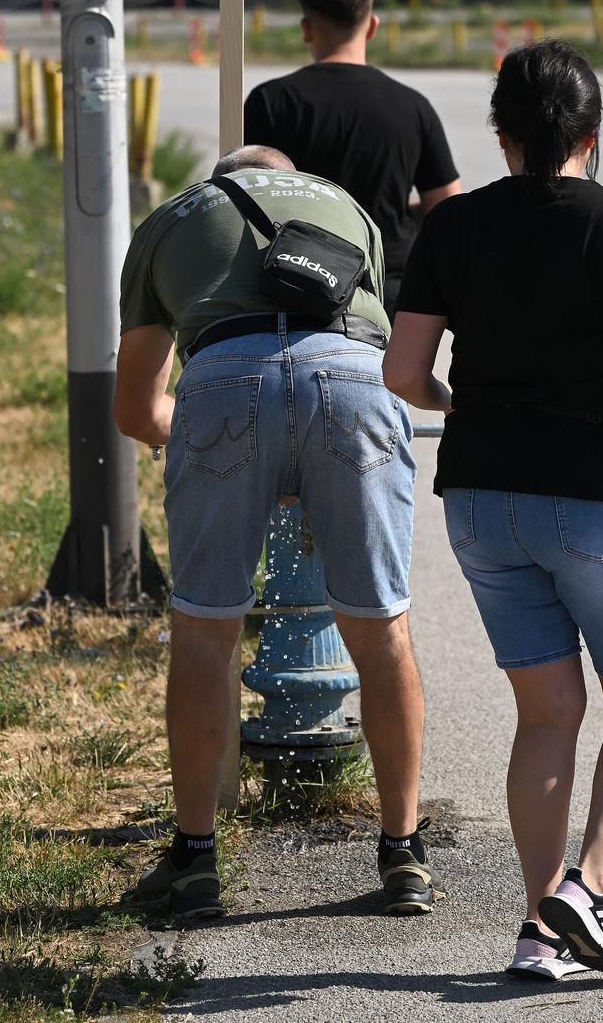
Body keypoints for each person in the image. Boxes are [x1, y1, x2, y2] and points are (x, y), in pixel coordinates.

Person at [383, 40, 603, 981]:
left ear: (500, 136)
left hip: (481, 499)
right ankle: (590, 886)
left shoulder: (452, 230)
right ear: (591, 134)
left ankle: (540, 934)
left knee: (545, 716)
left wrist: (466, 409)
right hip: (590, 494)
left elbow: (404, 373)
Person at [114, 145, 436, 920]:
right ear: (286, 176)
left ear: (224, 176)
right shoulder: (345, 205)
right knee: (380, 624)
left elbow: (134, 410)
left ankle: (194, 862)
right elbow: (375, 341)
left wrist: (203, 437)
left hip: (224, 380)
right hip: (354, 384)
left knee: (205, 628)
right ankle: (402, 854)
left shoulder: (175, 218)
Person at [244, 0, 461, 316]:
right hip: (386, 291)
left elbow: (247, 196)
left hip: (296, 286)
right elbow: (448, 209)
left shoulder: (271, 102)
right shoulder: (412, 106)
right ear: (372, 26)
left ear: (305, 28)